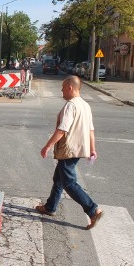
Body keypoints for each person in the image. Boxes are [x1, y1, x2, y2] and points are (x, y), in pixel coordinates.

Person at [36, 75, 103, 229]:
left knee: (69, 183)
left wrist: (47, 146)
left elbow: (62, 130)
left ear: (70, 88)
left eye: (63, 88)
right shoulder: (85, 105)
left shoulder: (71, 105)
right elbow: (91, 130)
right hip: (79, 148)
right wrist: (92, 148)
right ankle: (50, 207)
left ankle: (93, 210)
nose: (61, 91)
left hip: (69, 149)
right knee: (59, 178)